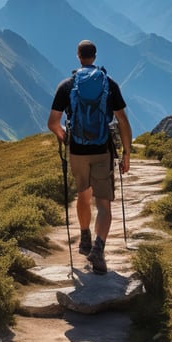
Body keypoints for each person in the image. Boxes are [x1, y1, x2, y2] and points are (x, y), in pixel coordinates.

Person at [48, 40, 132, 275]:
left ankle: (84, 237)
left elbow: (52, 123)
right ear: (95, 56)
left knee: (83, 195)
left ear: (78, 56)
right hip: (102, 150)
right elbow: (123, 121)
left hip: (77, 150)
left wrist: (65, 136)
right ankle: (99, 248)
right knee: (103, 204)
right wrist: (126, 153)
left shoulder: (67, 85)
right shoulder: (109, 84)